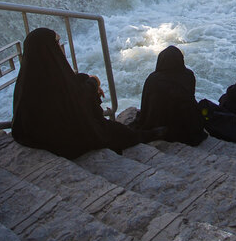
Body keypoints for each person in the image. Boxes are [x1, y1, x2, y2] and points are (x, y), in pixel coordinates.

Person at [12, 28, 163, 159]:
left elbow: (66, 89)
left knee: (86, 83)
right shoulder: (54, 77)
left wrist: (88, 80)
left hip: (34, 135)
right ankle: (148, 135)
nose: (59, 46)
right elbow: (76, 100)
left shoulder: (28, 78)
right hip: (64, 140)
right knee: (117, 132)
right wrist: (94, 83)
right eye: (56, 43)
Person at [133, 46, 207, 146]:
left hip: (159, 124)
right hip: (187, 127)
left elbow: (147, 105)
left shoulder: (153, 80)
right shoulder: (189, 75)